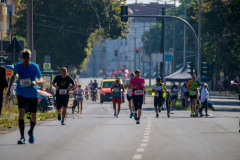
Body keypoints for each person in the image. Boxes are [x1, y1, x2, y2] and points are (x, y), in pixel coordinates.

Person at [7, 49, 43, 144]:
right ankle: (22, 137)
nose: (26, 59)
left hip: (32, 93)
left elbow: (41, 79)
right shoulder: (18, 66)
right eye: (24, 58)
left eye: (28, 58)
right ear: (22, 58)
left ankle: (31, 131)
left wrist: (36, 82)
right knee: (21, 112)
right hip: (21, 92)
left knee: (33, 116)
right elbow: (13, 76)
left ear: (30, 58)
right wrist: (9, 89)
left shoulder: (34, 66)